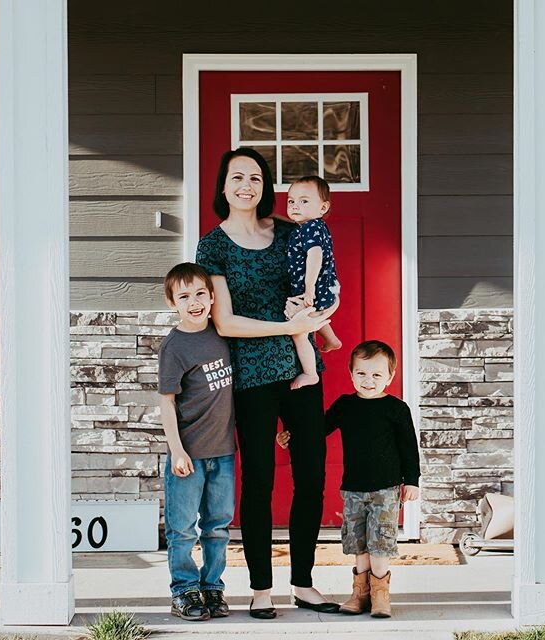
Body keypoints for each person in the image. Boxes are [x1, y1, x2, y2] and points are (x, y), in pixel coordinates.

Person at [195, 147, 341, 619]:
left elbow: (319, 287)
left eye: (255, 178)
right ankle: (260, 588)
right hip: (251, 375)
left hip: (302, 372)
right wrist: (287, 326)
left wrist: (322, 317)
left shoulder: (290, 230)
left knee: (311, 477)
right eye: (237, 177)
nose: (246, 186)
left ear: (265, 186)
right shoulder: (213, 245)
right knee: (257, 482)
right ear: (223, 186)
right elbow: (227, 321)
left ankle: (303, 582)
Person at [277, 340, 421, 618]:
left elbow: (408, 447)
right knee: (359, 543)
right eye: (362, 374)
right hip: (354, 489)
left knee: (380, 542)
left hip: (386, 490)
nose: (369, 381)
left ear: (390, 377)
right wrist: (292, 434)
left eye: (377, 375)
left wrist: (411, 480)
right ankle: (360, 593)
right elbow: (319, 429)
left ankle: (380, 595)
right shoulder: (346, 405)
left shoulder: (396, 409)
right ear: (351, 373)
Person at [157, 262, 236, 622]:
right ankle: (184, 590)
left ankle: (212, 587)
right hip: (188, 455)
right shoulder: (174, 347)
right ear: (173, 302)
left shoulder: (222, 333)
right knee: (183, 529)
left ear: (212, 297)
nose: (194, 302)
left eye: (200, 294)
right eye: (184, 296)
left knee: (218, 526)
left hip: (223, 453)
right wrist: (176, 450)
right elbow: (167, 401)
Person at [286, 176, 342, 390]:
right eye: (291, 201)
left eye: (304, 201)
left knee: (299, 332)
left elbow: (315, 257)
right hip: (325, 289)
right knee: (316, 317)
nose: (295, 206)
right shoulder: (315, 227)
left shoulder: (309, 228)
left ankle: (310, 374)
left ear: (323, 207)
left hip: (314, 291)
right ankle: (332, 340)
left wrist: (309, 289)